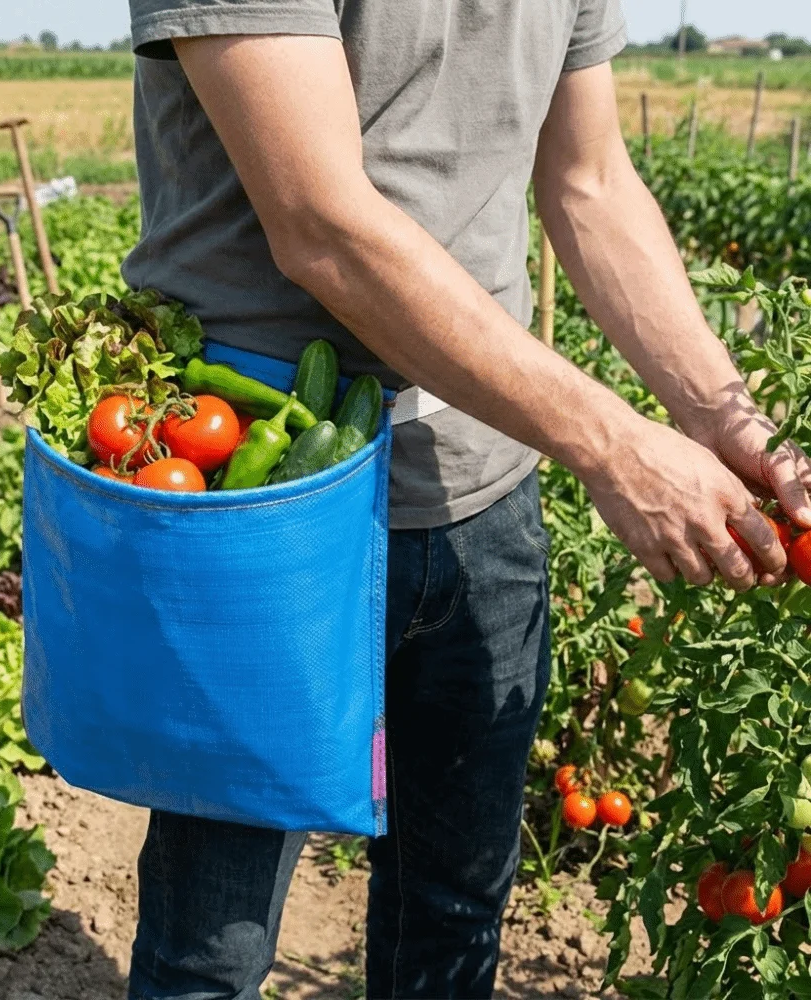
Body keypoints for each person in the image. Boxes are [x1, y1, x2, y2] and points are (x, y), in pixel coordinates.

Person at [120, 1, 811, 997]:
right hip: (264, 501)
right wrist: (615, 446)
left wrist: (727, 417)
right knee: (211, 950)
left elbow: (590, 182)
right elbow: (321, 224)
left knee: (451, 916)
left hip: (487, 479)